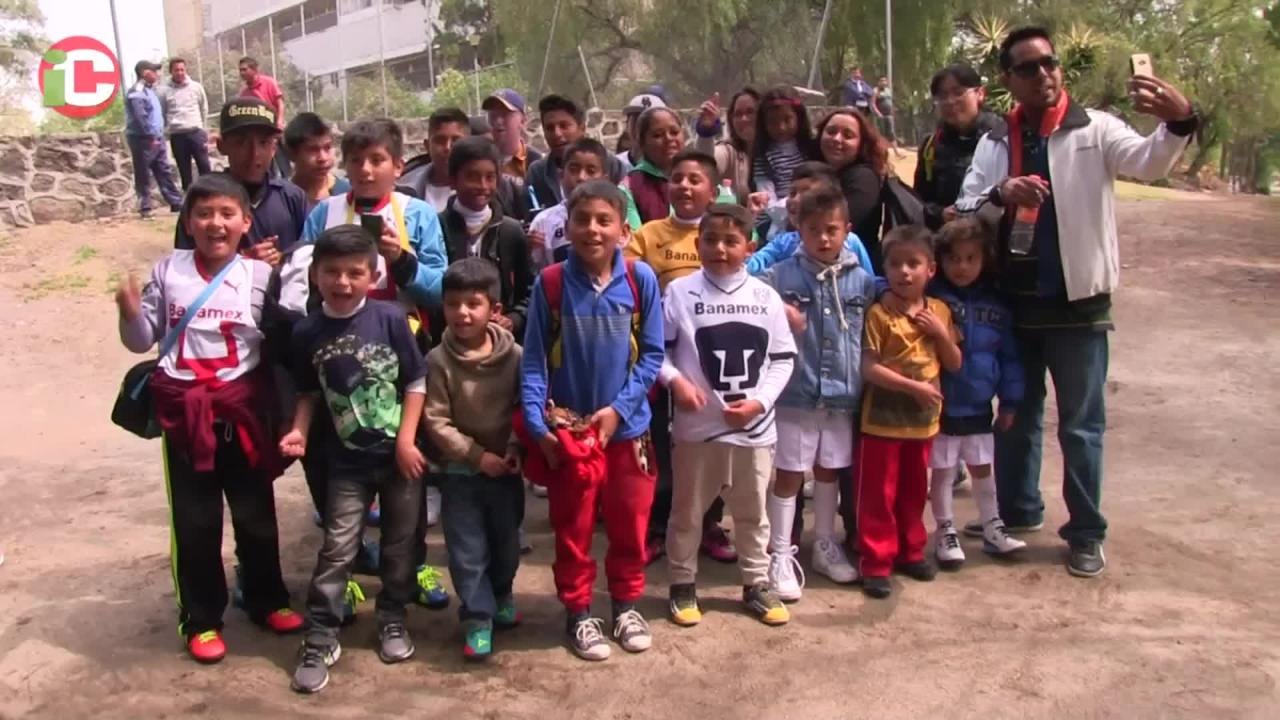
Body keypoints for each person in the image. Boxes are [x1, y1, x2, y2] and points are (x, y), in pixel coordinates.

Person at [956, 26, 1196, 578]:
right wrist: (1001, 193)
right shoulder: (997, 140)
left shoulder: (1095, 128)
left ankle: (1086, 531)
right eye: (1028, 68)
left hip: (1078, 305)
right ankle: (1018, 511)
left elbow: (1149, 162)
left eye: (1050, 63)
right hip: (1014, 305)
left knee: (1081, 426)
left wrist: (1179, 121)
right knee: (1015, 415)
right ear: (1008, 79)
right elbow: (967, 204)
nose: (1043, 74)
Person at [115, 174, 303, 664]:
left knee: (256, 514)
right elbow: (141, 340)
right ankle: (200, 619)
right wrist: (130, 314)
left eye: (226, 214)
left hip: (244, 413)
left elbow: (281, 343)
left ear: (245, 222)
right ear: (187, 221)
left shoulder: (260, 277)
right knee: (195, 522)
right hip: (185, 416)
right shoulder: (168, 271)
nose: (215, 224)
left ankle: (266, 598)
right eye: (203, 214)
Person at [277, 118, 451, 609]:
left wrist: (402, 261)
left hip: (399, 353)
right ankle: (349, 567)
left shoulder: (417, 214)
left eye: (377, 160)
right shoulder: (325, 213)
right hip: (336, 359)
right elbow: (302, 279)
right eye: (356, 161)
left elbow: (441, 288)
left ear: (398, 165)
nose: (367, 170)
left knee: (406, 462)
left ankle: (414, 563)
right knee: (336, 463)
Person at [519, 180, 663, 662]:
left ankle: (626, 604)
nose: (593, 230)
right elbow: (534, 360)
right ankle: (578, 611)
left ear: (624, 230)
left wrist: (618, 410)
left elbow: (652, 356)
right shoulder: (552, 283)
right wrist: (540, 428)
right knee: (573, 529)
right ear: (568, 226)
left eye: (604, 221)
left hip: (628, 432)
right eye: (582, 220)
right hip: (572, 436)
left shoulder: (640, 279)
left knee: (630, 525)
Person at [282, 226, 429, 693]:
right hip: (345, 462)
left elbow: (416, 382)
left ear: (373, 274)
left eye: (354, 273)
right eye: (332, 272)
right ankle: (321, 634)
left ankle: (392, 617)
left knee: (401, 544)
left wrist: (407, 441)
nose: (342, 282)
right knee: (337, 547)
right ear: (315, 275)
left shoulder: (391, 318)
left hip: (399, 459)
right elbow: (308, 392)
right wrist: (299, 431)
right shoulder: (307, 331)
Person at [661, 202, 797, 627]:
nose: (720, 249)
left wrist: (760, 403)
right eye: (711, 240)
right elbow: (658, 353)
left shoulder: (765, 297)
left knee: (752, 512)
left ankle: (756, 582)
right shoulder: (679, 293)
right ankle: (682, 582)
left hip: (753, 430)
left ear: (749, 247)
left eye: (731, 241)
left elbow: (783, 360)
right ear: (697, 243)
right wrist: (676, 383)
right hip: (698, 429)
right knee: (687, 511)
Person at [761, 186, 876, 600]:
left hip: (841, 396)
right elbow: (748, 290)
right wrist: (779, 307)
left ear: (847, 230)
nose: (823, 238)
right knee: (790, 474)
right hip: (797, 392)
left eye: (832, 230)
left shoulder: (863, 282)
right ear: (799, 230)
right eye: (813, 230)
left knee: (829, 470)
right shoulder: (780, 277)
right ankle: (779, 552)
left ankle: (826, 543)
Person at [624, 149, 736, 566]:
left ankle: (709, 523)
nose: (684, 186)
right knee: (658, 445)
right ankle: (658, 528)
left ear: (714, 192)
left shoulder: (723, 235)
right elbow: (629, 281)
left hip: (710, 361)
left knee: (710, 444)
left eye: (694, 180)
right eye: (677, 179)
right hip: (658, 356)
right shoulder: (649, 234)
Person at [424, 258, 525, 660]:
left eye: (473, 303)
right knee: (467, 551)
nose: (462, 313)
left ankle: (501, 595)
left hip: (507, 471)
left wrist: (514, 450)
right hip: (459, 472)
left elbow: (524, 407)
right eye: (452, 304)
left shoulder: (515, 356)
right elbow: (436, 421)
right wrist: (477, 457)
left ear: (494, 309)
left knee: (507, 546)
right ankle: (478, 617)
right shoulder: (437, 361)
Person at [858, 225, 962, 599]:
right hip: (881, 422)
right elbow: (869, 368)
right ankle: (876, 561)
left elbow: (954, 363)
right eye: (895, 264)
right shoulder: (879, 314)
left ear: (930, 269)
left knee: (915, 491)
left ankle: (911, 550)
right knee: (878, 495)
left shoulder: (940, 312)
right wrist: (914, 388)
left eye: (913, 264)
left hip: (923, 424)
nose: (904, 272)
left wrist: (940, 333)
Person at [927, 218, 1027, 568]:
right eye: (954, 258)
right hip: (942, 405)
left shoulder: (997, 305)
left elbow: (1010, 356)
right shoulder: (932, 299)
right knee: (943, 471)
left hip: (980, 404)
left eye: (971, 258)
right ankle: (945, 530)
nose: (962, 267)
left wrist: (1010, 401)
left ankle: (992, 526)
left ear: (984, 259)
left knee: (982, 467)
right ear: (940, 260)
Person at [175, 98, 309, 259]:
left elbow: (310, 254)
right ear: (221, 146)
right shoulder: (202, 200)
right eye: (241, 143)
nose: (254, 153)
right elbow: (183, 263)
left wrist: (283, 259)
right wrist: (242, 263)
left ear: (274, 148)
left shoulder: (291, 197)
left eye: (263, 143)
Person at [434, 136, 534, 346]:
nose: (482, 185)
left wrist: (513, 319)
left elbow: (529, 290)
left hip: (501, 344)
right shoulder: (436, 227)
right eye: (472, 177)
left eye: (490, 177)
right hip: (448, 342)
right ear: (453, 179)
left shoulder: (510, 231)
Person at [914, 64, 1005, 230]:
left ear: (980, 94)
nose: (950, 101)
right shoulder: (931, 146)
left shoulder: (1002, 139)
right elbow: (919, 201)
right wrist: (940, 214)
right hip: (947, 239)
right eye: (942, 96)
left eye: (958, 92)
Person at [747, 162, 874, 276]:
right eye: (792, 193)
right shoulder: (783, 244)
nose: (795, 199)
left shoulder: (850, 242)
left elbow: (870, 284)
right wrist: (750, 218)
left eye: (806, 193)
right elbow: (748, 268)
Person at [813, 109, 890, 268]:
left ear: (861, 144)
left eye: (848, 135)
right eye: (831, 132)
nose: (837, 139)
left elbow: (840, 226)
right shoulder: (816, 172)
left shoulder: (864, 178)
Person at [526, 94, 625, 211]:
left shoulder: (613, 165)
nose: (557, 134)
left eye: (564, 126)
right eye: (550, 128)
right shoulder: (538, 172)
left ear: (582, 128)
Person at [528, 137, 609, 268]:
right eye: (574, 169)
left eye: (591, 171)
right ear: (561, 176)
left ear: (604, 180)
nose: (581, 177)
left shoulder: (613, 219)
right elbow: (538, 270)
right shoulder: (543, 222)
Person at [124, 60, 183, 219]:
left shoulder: (150, 91)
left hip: (157, 137)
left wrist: (159, 135)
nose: (157, 74)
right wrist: (150, 136)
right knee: (143, 173)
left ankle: (176, 202)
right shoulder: (137, 92)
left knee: (163, 170)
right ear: (145, 73)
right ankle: (145, 207)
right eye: (154, 71)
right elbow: (140, 117)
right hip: (143, 139)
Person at [620, 106, 686, 230]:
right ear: (642, 142)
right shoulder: (629, 187)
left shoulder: (698, 179)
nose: (669, 138)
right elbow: (635, 236)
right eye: (657, 135)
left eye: (674, 132)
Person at [483, 88, 542, 220]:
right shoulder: (480, 160)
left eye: (505, 114)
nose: (498, 121)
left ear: (523, 121)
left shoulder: (537, 163)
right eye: (493, 115)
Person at [693, 87, 759, 200]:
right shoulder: (729, 151)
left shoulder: (778, 150)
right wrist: (706, 131)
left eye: (750, 112)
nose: (744, 119)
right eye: (738, 114)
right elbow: (706, 165)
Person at [157, 57, 210, 191]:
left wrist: (202, 128)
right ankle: (189, 197)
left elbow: (203, 108)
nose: (180, 73)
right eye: (177, 70)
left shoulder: (196, 87)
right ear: (171, 72)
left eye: (182, 70)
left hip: (196, 133)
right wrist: (166, 131)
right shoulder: (164, 91)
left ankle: (209, 194)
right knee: (184, 170)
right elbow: (162, 112)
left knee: (205, 166)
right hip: (177, 136)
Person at [283, 112, 350, 207]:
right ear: (291, 154)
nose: (323, 158)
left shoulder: (347, 194)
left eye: (327, 147)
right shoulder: (281, 198)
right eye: (312, 150)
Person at [238, 56, 285, 129]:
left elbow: (280, 103)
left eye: (244, 69)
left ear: (254, 70)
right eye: (240, 70)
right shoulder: (244, 93)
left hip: (274, 125)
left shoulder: (269, 82)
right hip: (258, 129)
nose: (242, 73)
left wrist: (280, 121)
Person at [870, 76, 897, 146]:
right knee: (882, 132)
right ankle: (882, 148)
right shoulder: (876, 90)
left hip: (889, 114)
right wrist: (878, 113)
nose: (883, 82)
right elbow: (873, 103)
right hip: (881, 115)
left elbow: (891, 102)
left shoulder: (888, 90)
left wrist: (893, 110)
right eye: (882, 81)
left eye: (885, 81)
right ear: (878, 82)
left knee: (891, 132)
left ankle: (895, 149)